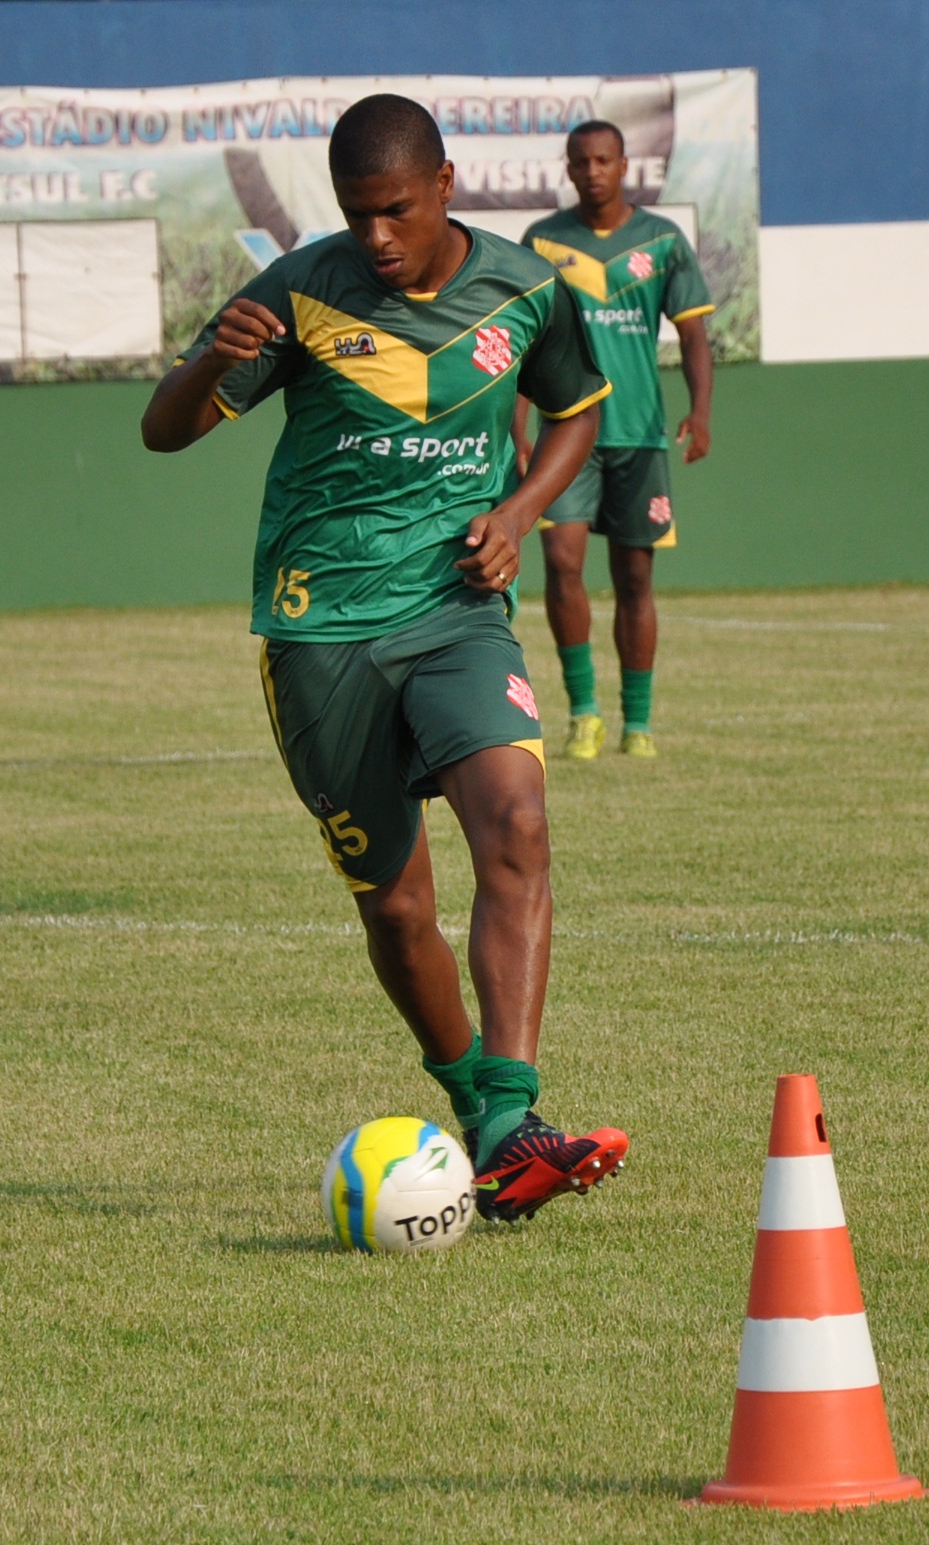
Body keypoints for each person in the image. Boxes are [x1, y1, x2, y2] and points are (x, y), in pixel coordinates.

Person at [141, 94, 629, 1223]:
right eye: (356, 214)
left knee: (514, 819)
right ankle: (471, 1107)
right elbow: (163, 433)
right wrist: (210, 362)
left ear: (446, 184)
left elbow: (575, 414)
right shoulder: (297, 293)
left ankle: (512, 1121)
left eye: (394, 211)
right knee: (397, 909)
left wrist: (517, 512)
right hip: (319, 634)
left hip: (454, 611)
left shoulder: (526, 284)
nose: (374, 237)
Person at [514, 120, 717, 760]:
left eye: (605, 159)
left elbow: (692, 337)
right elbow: (524, 345)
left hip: (640, 436)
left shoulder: (661, 241)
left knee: (634, 577)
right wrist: (515, 429)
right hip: (566, 436)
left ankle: (639, 723)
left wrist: (701, 411)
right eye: (582, 161)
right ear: (569, 168)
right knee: (563, 564)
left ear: (624, 165)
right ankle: (584, 714)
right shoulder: (543, 242)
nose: (593, 170)